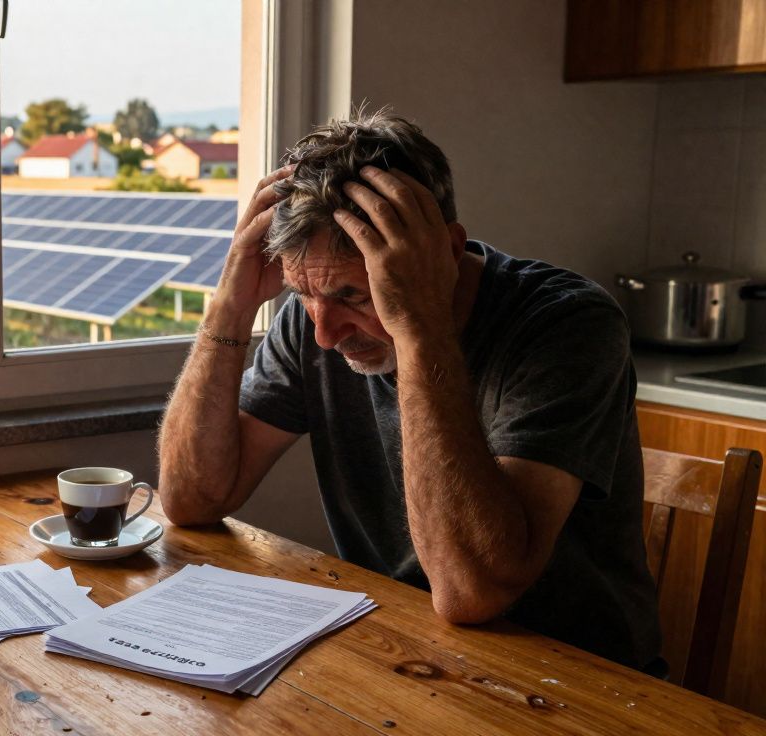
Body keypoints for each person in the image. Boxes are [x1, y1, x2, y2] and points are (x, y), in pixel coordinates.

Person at [157, 108, 663, 675]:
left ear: (445, 253)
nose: (325, 334)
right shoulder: (316, 314)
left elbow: (472, 591)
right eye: (301, 294)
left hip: (579, 678)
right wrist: (230, 304)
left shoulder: (567, 324)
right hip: (404, 646)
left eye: (355, 296)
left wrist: (420, 327)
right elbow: (192, 499)